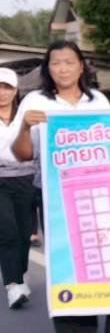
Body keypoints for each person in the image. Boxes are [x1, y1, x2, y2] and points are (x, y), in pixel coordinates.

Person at [10, 42, 110, 333]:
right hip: (56, 195)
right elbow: (22, 154)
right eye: (55, 63)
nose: (63, 68)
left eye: (69, 62)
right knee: (69, 262)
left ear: (81, 65)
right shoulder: (34, 101)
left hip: (103, 192)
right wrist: (26, 126)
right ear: (48, 69)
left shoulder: (97, 100)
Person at [0, 67, 37, 309]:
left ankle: (20, 275)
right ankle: (13, 285)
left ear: (16, 91)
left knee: (24, 234)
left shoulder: (28, 116)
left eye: (7, 88)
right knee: (8, 232)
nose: (2, 93)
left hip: (26, 179)